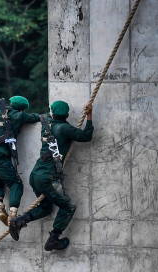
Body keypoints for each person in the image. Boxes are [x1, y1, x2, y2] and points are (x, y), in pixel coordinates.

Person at [9, 101, 94, 250]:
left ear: (52, 113)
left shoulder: (46, 123)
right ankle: (54, 238)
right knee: (68, 207)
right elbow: (87, 136)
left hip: (35, 175)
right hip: (48, 179)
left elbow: (45, 115)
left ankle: (20, 221)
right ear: (67, 114)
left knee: (46, 208)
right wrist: (89, 115)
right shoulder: (66, 129)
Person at [0, 96, 40, 225]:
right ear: (22, 109)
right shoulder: (20, 116)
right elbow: (35, 118)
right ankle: (12, 214)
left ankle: (0, 207)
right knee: (16, 184)